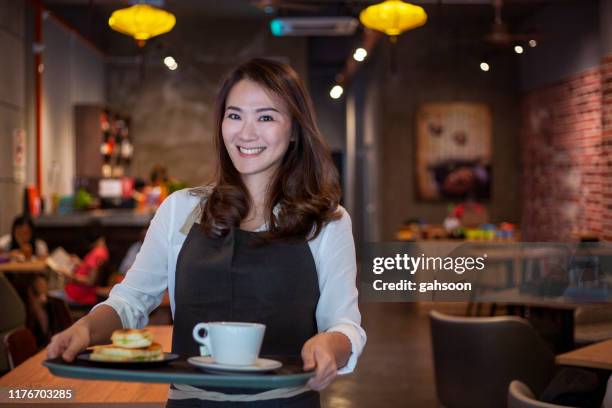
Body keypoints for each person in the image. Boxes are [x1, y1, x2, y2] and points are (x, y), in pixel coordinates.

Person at [47, 58, 366, 407]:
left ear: (293, 129)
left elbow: (344, 325)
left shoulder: (327, 222)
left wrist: (330, 346)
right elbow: (131, 300)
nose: (246, 132)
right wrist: (86, 328)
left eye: (266, 117)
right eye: (234, 115)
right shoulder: (179, 210)